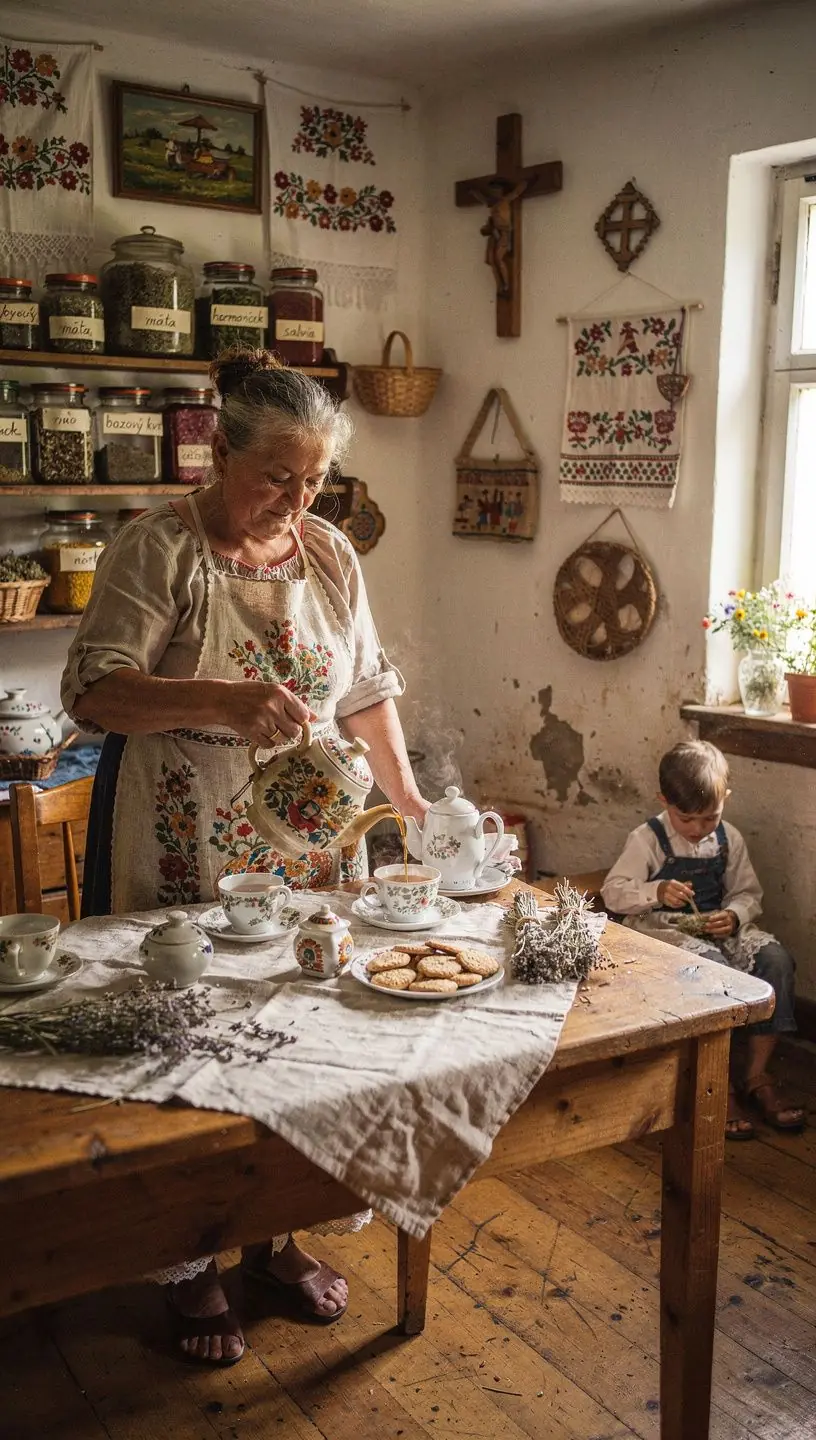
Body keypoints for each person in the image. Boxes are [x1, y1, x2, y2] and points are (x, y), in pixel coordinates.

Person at [62, 347, 430, 1366]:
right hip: (179, 825)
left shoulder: (326, 552)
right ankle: (190, 1266)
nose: (297, 496)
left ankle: (274, 1239)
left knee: (299, 1036)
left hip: (305, 835)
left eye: (314, 478)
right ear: (217, 454)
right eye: (278, 475)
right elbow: (93, 694)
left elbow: (364, 688)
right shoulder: (158, 547)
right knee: (190, 1042)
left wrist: (408, 798)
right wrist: (224, 700)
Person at [602, 740, 804, 1142]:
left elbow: (749, 894)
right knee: (714, 973)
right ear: (664, 801)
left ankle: (755, 1076)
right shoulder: (649, 838)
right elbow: (613, 891)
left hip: (720, 928)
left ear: (725, 800)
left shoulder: (729, 838)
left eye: (709, 817)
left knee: (776, 961)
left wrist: (735, 915)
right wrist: (656, 891)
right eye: (687, 819)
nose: (698, 829)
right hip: (667, 932)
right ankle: (719, 1085)